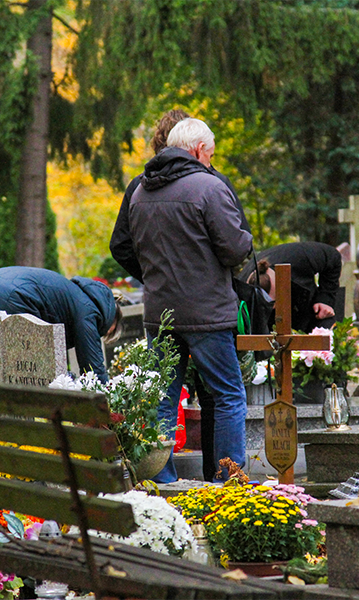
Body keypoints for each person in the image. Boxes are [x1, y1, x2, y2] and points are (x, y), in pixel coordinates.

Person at [128, 117, 253, 483]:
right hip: (207, 314)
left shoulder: (139, 191)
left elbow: (133, 249)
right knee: (228, 395)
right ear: (199, 150)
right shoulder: (208, 188)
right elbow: (233, 249)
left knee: (162, 401)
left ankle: (162, 482)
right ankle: (231, 483)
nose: (211, 162)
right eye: (210, 155)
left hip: (159, 315)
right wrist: (245, 242)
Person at [110, 109, 250, 282]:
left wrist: (154, 278)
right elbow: (239, 245)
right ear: (198, 147)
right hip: (209, 295)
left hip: (160, 297)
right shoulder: (214, 183)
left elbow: (121, 245)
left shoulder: (139, 188)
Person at [0, 267, 122, 382]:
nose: (101, 334)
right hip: (13, 296)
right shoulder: (89, 310)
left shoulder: (76, 295)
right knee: (29, 371)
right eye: (107, 332)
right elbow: (93, 370)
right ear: (111, 318)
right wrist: (107, 409)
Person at [240, 241, 342, 333]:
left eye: (276, 301)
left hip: (312, 311)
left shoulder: (299, 256)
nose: (275, 307)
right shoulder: (240, 291)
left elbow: (333, 257)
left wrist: (325, 299)